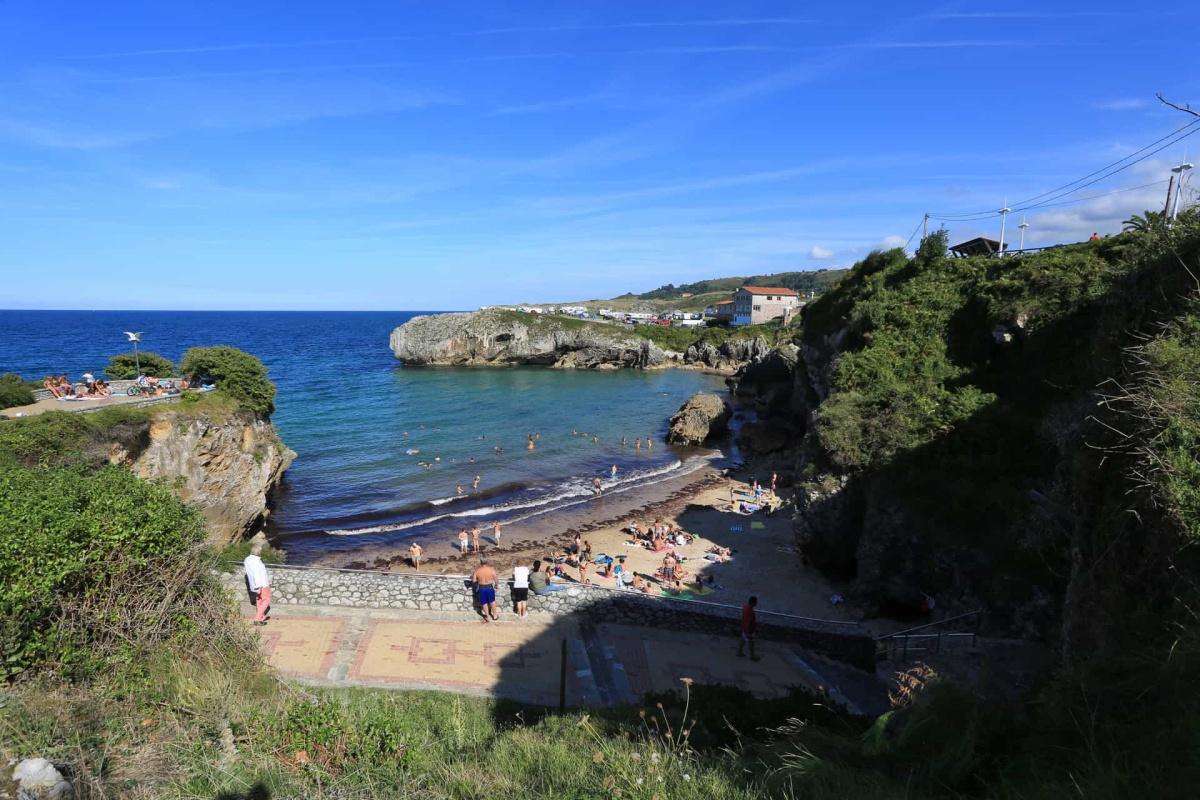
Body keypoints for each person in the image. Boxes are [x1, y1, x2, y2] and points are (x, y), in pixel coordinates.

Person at [244, 543, 272, 626]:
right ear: (258, 552)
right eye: (260, 551)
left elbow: (250, 574)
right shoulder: (256, 562)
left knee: (259, 601)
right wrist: (259, 586)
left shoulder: (247, 560)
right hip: (262, 585)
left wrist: (256, 587)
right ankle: (257, 619)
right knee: (266, 600)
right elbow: (257, 574)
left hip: (254, 585)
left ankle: (261, 617)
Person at [737, 596, 760, 660]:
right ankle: (752, 656)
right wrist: (748, 632)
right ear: (753, 602)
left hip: (744, 627)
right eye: (756, 602)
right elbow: (748, 622)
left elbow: (745, 620)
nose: (756, 603)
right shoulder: (750, 610)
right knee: (751, 642)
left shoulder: (745, 607)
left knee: (743, 639)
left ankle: (739, 652)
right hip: (749, 629)